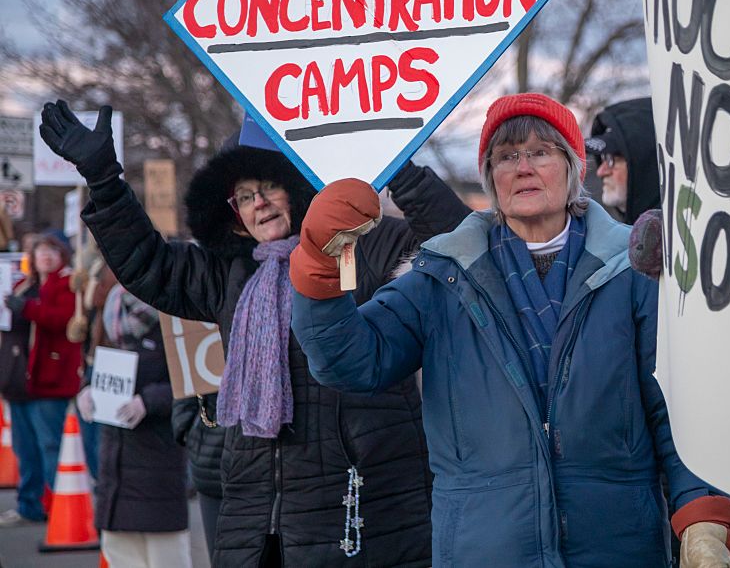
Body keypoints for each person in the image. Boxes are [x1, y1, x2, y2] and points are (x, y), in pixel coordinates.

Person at [291, 92, 730, 567]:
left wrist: (701, 516)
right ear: (492, 177)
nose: (523, 167)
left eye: (541, 152)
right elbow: (350, 361)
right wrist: (320, 264)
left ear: (573, 169)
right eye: (506, 156)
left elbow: (676, 413)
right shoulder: (442, 276)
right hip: (483, 551)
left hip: (617, 549)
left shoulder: (632, 272)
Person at [39, 100, 469, 567]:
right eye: (244, 196)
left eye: (268, 187)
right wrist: (105, 181)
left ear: (297, 187)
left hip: (366, 511)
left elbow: (456, 240)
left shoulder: (365, 245)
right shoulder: (228, 273)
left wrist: (395, 162)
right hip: (258, 519)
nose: (258, 202)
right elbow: (148, 263)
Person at [591, 97, 730, 567]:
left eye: (613, 158)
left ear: (646, 157)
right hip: (653, 489)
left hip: (718, 478)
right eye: (598, 159)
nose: (601, 171)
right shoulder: (612, 246)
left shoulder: (708, 243)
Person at [77, 283, 192, 567]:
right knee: (120, 552)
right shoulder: (110, 313)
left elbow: (192, 384)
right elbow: (95, 365)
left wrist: (148, 401)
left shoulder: (177, 318)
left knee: (165, 554)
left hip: (157, 457)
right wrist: (88, 389)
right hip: (114, 459)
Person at [0, 229, 80, 526]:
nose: (45, 256)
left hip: (49, 380)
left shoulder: (66, 284)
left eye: (51, 251)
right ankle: (29, 505)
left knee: (50, 445)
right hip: (18, 380)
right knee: (25, 448)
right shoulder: (22, 286)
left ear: (62, 256)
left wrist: (29, 309)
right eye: (40, 251)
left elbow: (62, 319)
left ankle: (60, 505)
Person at [587, 97, 661, 224]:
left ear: (645, 164)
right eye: (603, 158)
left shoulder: (681, 240)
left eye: (612, 159)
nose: (601, 171)